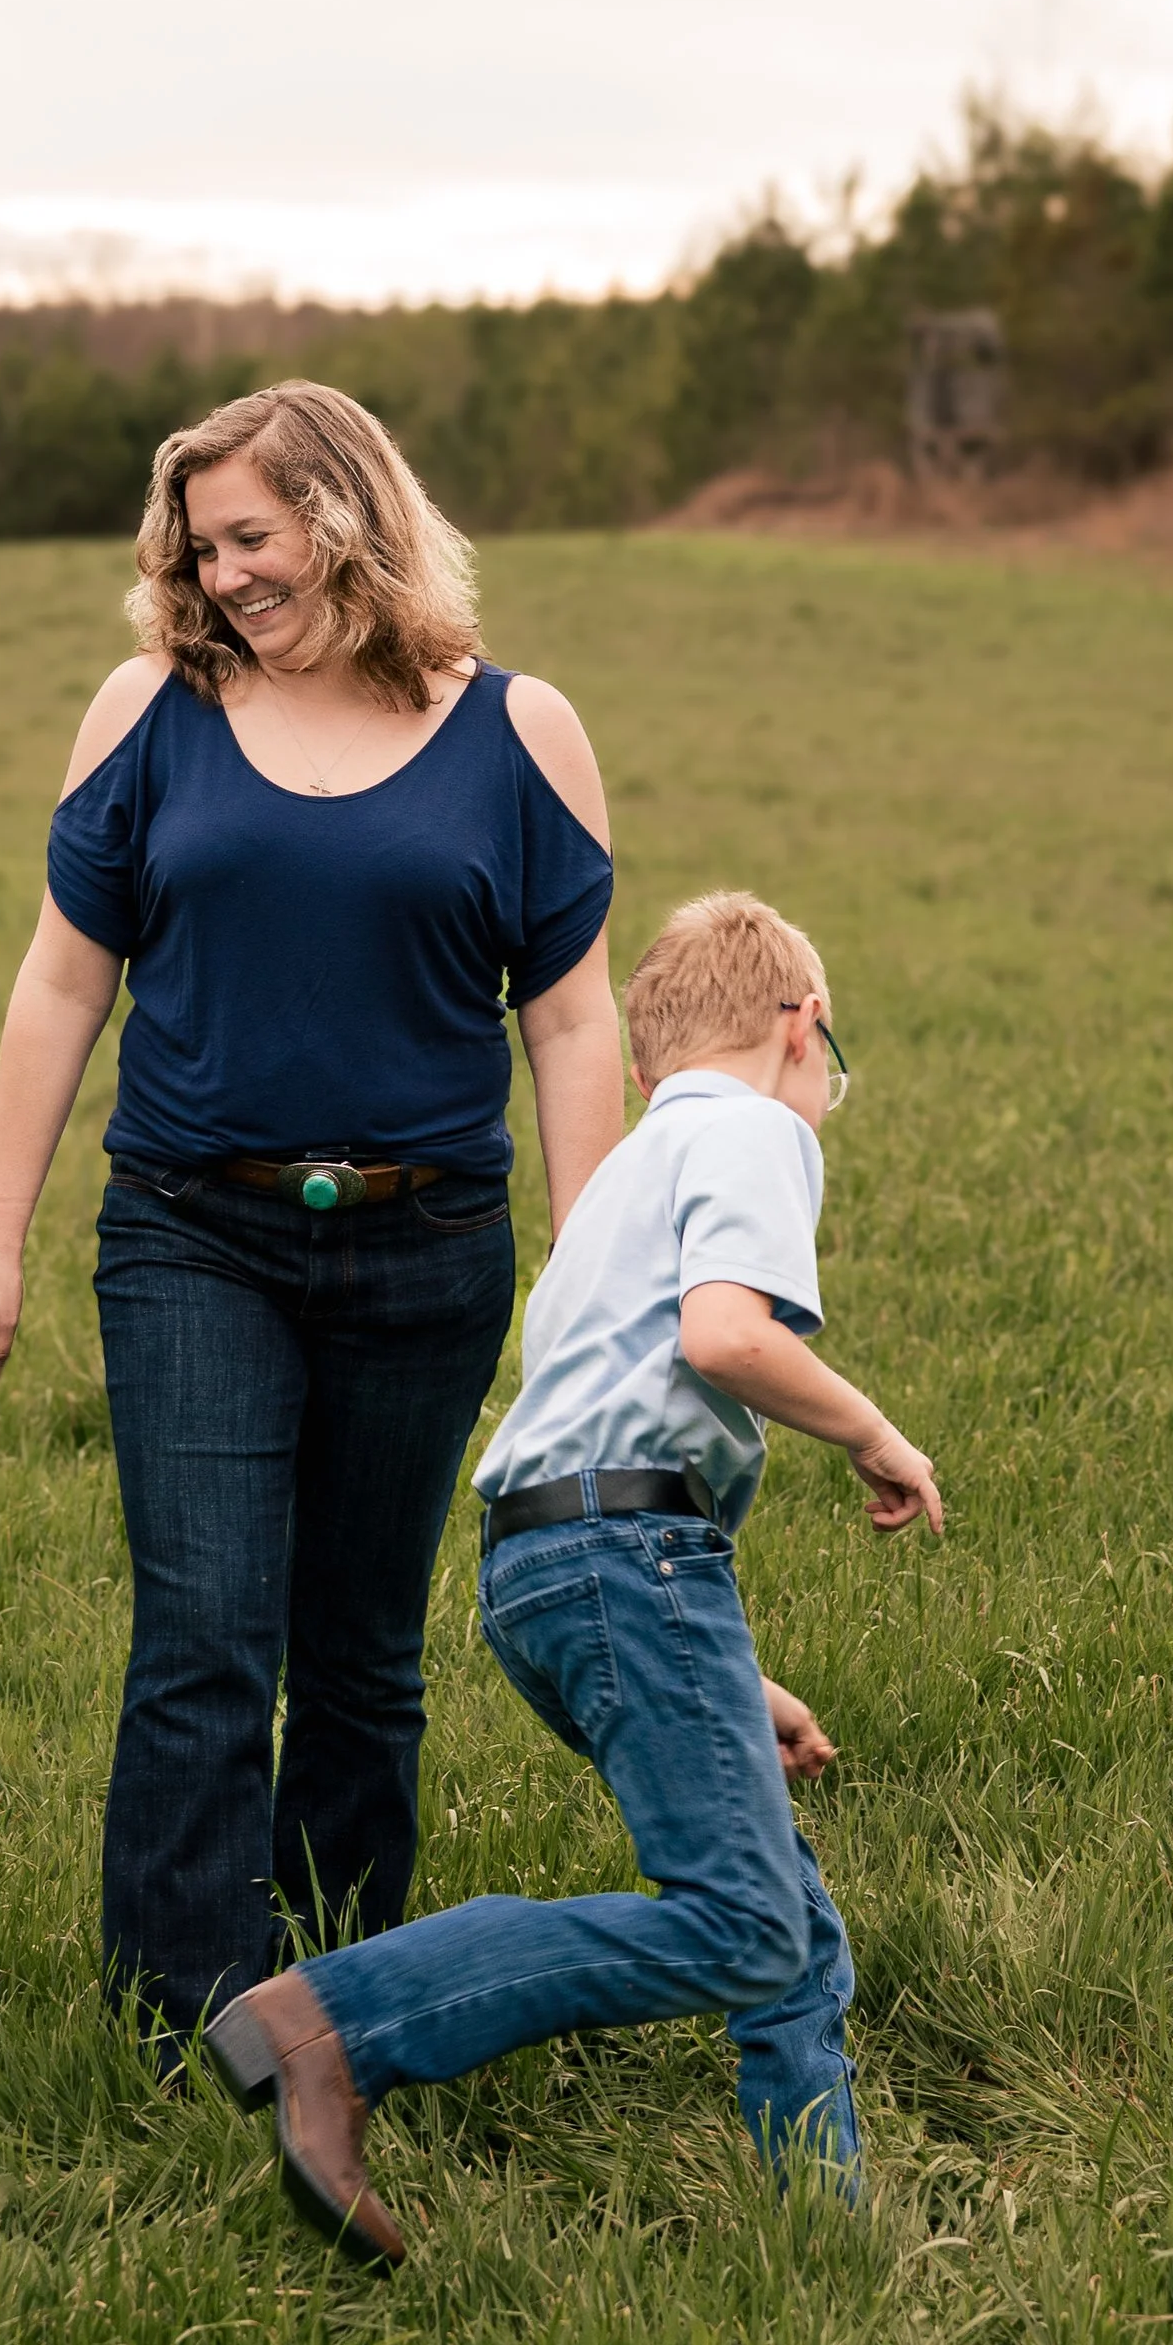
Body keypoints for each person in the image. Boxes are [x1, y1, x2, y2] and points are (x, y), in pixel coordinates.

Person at [0, 382, 623, 2064]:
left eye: (255, 535)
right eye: (202, 545)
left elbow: (577, 1023)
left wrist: (588, 1288)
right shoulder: (149, 710)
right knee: (207, 1636)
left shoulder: (519, 731)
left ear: (351, 513)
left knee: (367, 1653)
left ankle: (339, 2001)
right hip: (192, 1233)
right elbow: (60, 978)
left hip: (429, 1241)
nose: (226, 574)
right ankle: (183, 2022)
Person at [206, 889, 943, 2267]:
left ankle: (824, 2240)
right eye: (827, 1067)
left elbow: (604, 1417)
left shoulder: (620, 1180)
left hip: (547, 1565)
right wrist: (874, 1431)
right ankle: (334, 2020)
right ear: (804, 1028)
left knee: (787, 1921)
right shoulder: (761, 1129)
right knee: (735, 1917)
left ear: (651, 1062)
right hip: (628, 1557)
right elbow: (727, 1339)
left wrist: (735, 1679)